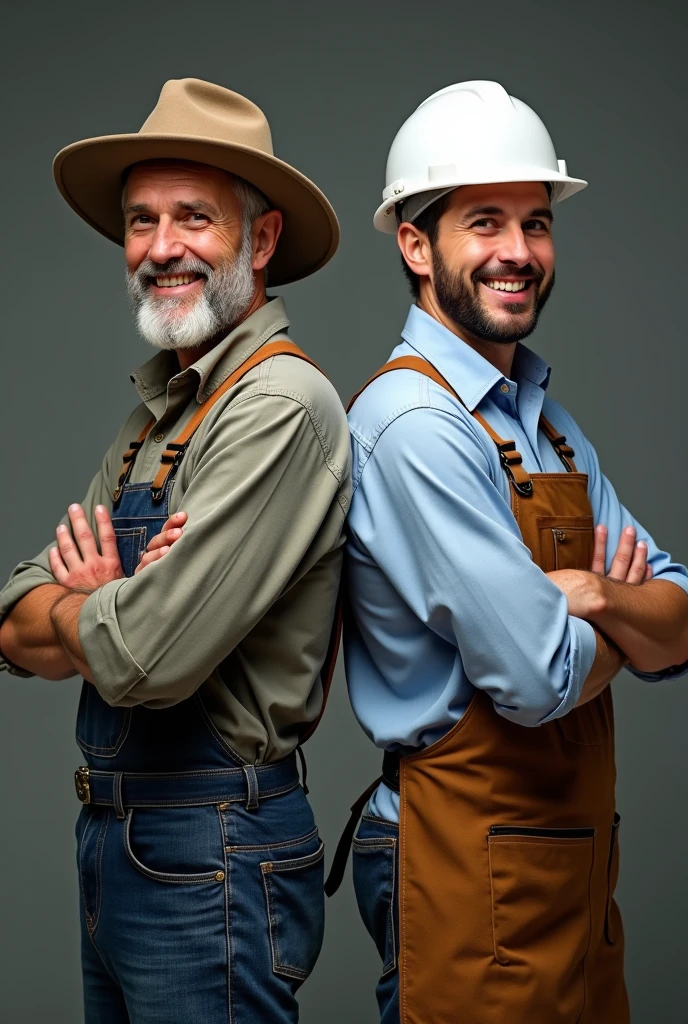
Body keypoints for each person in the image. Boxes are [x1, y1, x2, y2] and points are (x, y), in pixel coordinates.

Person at [327, 81, 688, 1024]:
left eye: (536, 223)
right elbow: (533, 677)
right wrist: (618, 606)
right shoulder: (412, 427)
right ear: (415, 245)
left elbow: (682, 618)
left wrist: (597, 601)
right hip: (466, 864)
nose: (519, 253)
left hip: (566, 862)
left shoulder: (550, 427)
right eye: (484, 222)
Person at [0, 78, 351, 1024]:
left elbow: (141, 658)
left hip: (212, 853)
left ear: (263, 240)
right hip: (118, 844)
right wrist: (100, 609)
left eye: (194, 217)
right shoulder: (153, 419)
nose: (162, 248)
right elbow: (11, 618)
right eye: (141, 220)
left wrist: (89, 616)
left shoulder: (277, 407)